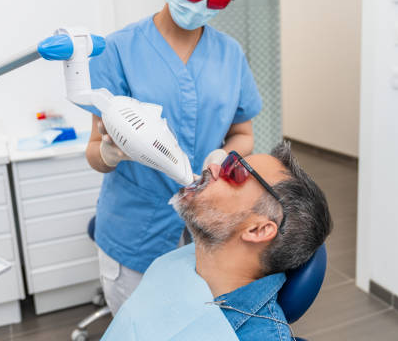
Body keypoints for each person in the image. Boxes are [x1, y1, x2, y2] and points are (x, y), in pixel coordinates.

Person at [84, 0, 263, 314]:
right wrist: (111, 153)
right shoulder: (117, 50)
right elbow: (94, 153)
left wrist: (223, 155)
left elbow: (243, 133)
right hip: (136, 229)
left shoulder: (230, 55)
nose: (202, 1)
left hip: (210, 227)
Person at [101, 141, 333, 340]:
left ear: (258, 230)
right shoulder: (173, 264)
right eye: (227, 162)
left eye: (236, 171)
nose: (213, 166)